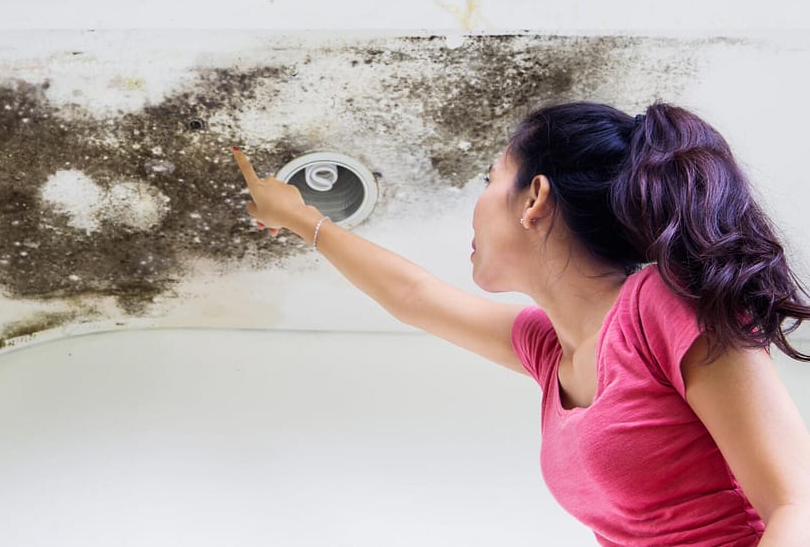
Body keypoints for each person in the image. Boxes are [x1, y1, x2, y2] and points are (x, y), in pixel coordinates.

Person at [231, 101, 810, 546]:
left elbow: (796, 504)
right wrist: (301, 219)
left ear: (534, 198)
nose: (477, 203)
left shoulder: (663, 304)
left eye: (488, 179)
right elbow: (416, 297)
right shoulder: (550, 351)